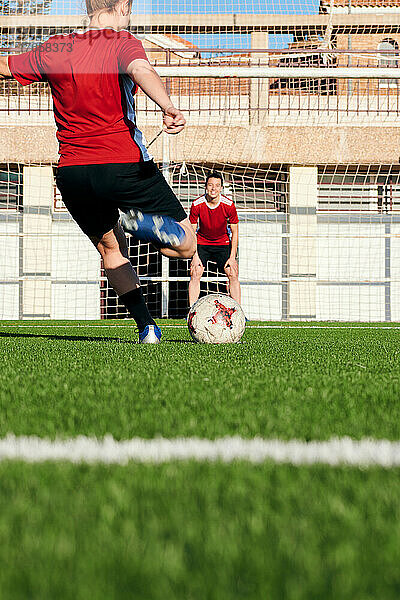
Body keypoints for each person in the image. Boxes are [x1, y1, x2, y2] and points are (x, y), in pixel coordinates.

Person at [0, 0, 195, 343]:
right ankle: (142, 225)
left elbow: (4, 66)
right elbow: (141, 71)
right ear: (122, 6)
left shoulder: (55, 47)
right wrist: (168, 106)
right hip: (121, 163)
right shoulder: (122, 42)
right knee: (187, 244)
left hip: (73, 174)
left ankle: (147, 328)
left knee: (110, 250)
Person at [188, 172, 241, 307]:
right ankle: (192, 311)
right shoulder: (197, 204)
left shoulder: (228, 205)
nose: (213, 189)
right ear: (206, 186)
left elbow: (235, 232)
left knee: (232, 273)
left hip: (223, 243)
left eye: (217, 186)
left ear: (221, 188)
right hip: (202, 242)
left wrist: (232, 257)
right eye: (210, 185)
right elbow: (191, 231)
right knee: (195, 271)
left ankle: (238, 311)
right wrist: (195, 255)